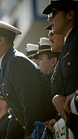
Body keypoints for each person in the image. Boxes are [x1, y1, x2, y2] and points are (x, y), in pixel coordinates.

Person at [0, 17, 56, 138]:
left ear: (1, 40)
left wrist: (31, 135)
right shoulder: (5, 65)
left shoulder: (16, 62)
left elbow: (32, 105)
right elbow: (16, 112)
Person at [43, 0, 78, 138]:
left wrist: (76, 95)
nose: (49, 18)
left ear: (70, 14)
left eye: (53, 13)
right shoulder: (69, 43)